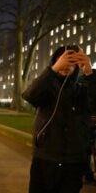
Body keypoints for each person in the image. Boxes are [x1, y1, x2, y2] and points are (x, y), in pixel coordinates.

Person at [22, 45, 96, 193]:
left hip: (73, 162)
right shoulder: (47, 87)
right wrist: (53, 70)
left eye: (71, 62)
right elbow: (30, 96)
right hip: (45, 159)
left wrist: (89, 73)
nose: (66, 65)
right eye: (63, 60)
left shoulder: (82, 88)